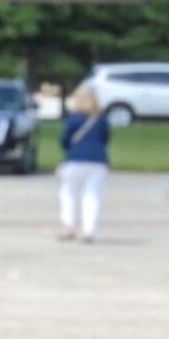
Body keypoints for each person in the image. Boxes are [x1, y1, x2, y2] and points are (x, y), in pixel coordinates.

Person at [58, 85, 112, 242]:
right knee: (92, 195)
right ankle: (89, 230)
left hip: (75, 159)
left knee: (68, 193)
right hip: (98, 161)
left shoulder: (73, 118)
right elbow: (105, 140)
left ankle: (69, 227)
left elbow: (65, 140)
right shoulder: (101, 120)